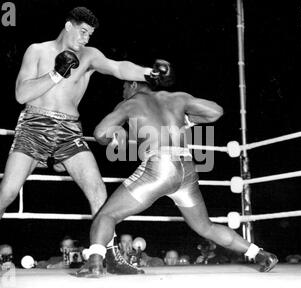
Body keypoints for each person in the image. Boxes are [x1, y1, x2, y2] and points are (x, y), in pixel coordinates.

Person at [0, 6, 173, 277]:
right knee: (7, 192)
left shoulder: (90, 55)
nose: (86, 39)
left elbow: (118, 68)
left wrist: (148, 73)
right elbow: (21, 94)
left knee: (96, 188)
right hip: (34, 125)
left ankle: (112, 254)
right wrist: (55, 74)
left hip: (69, 130)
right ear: (68, 25)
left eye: (90, 35)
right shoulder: (37, 51)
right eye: (82, 32)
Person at [84, 80, 279, 276]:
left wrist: (115, 136)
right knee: (206, 227)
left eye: (124, 87)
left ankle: (94, 264)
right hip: (187, 169)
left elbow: (100, 133)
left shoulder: (130, 104)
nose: (123, 92)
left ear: (133, 85)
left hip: (159, 167)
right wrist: (187, 120)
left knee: (107, 215)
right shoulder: (176, 98)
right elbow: (215, 111)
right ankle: (262, 255)